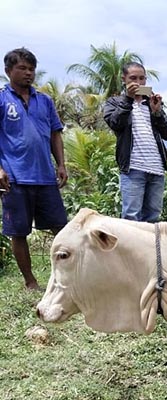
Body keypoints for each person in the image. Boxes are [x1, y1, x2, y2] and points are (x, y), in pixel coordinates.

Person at [0, 48, 68, 290]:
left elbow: (55, 134)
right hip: (14, 178)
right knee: (18, 232)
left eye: (31, 69)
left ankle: (68, 278)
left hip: (45, 177)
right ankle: (30, 282)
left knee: (61, 229)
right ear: (8, 71)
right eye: (22, 68)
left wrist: (60, 164)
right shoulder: (1, 99)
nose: (28, 73)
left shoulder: (45, 101)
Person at [103, 62, 167, 222]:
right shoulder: (114, 103)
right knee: (131, 217)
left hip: (156, 169)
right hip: (133, 168)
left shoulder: (152, 104)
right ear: (124, 79)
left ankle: (151, 248)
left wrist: (157, 113)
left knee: (153, 217)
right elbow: (115, 123)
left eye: (142, 78)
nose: (138, 82)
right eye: (133, 78)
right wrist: (128, 99)